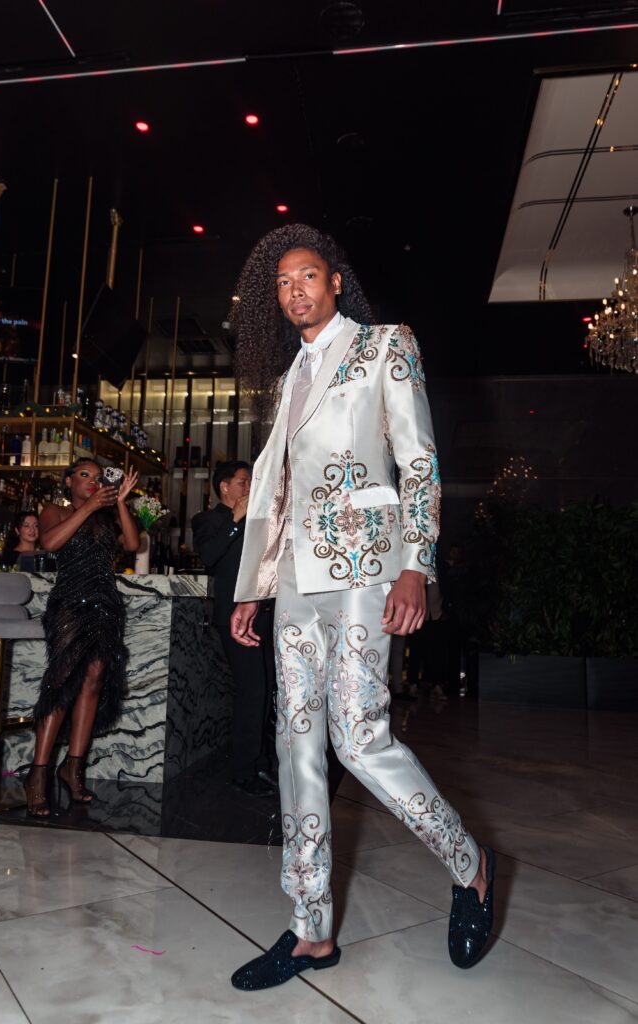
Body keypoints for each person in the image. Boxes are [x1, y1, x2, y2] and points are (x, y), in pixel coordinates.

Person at [227, 224, 495, 990]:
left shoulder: (385, 346)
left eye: (306, 275)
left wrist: (417, 567)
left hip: (360, 576)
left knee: (359, 740)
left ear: (334, 280)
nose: (295, 291)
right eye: (282, 284)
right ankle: (310, 931)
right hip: (297, 592)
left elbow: (418, 461)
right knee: (295, 748)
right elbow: (277, 493)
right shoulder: (290, 380)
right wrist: (256, 585)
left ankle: (469, 864)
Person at [23, 458, 140, 816]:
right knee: (61, 683)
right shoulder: (54, 510)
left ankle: (72, 768)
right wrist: (88, 506)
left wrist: (119, 501)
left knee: (93, 680)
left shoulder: (106, 516)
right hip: (70, 605)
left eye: (97, 476)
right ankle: (38, 774)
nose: (92, 481)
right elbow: (51, 542)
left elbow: (133, 544)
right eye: (84, 475)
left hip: (105, 605)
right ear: (69, 480)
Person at [192, 461, 276, 797]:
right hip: (233, 617)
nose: (248, 487)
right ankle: (243, 771)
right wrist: (235, 519)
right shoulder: (209, 520)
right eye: (243, 482)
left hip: (266, 613)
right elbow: (209, 557)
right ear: (223, 487)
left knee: (267, 689)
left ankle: (262, 761)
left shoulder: (258, 521)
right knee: (251, 691)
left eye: (251, 482)